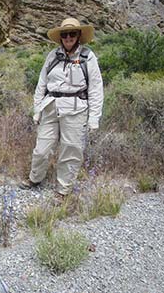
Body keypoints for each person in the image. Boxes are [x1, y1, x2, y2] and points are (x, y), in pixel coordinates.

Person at [20, 17, 104, 199]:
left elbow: (96, 89)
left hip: (76, 110)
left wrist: (94, 118)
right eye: (64, 34)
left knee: (71, 150)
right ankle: (35, 179)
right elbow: (41, 84)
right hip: (50, 108)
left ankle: (63, 190)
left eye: (72, 34)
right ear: (60, 37)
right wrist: (37, 110)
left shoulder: (87, 57)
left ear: (79, 35)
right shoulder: (52, 56)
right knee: (41, 149)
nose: (68, 38)